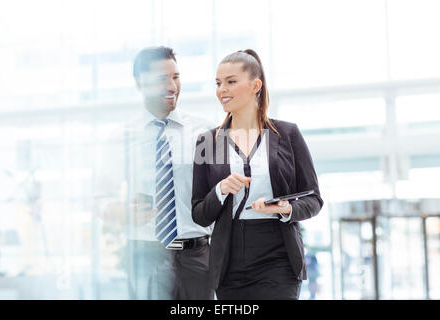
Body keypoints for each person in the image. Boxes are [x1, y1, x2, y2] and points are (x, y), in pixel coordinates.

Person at [191, 49, 323, 300]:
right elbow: (198, 213)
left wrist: (285, 208)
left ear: (255, 86)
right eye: (218, 84)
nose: (222, 90)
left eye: (231, 82)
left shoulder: (288, 134)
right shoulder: (207, 142)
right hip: (228, 261)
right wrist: (221, 190)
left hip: (278, 256)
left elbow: (314, 200)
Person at [97, 46, 214, 300]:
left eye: (176, 77)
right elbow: (99, 199)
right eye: (163, 78)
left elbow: (221, 197)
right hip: (146, 254)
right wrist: (121, 212)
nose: (173, 86)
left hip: (197, 255)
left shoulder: (205, 133)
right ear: (141, 82)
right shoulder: (122, 138)